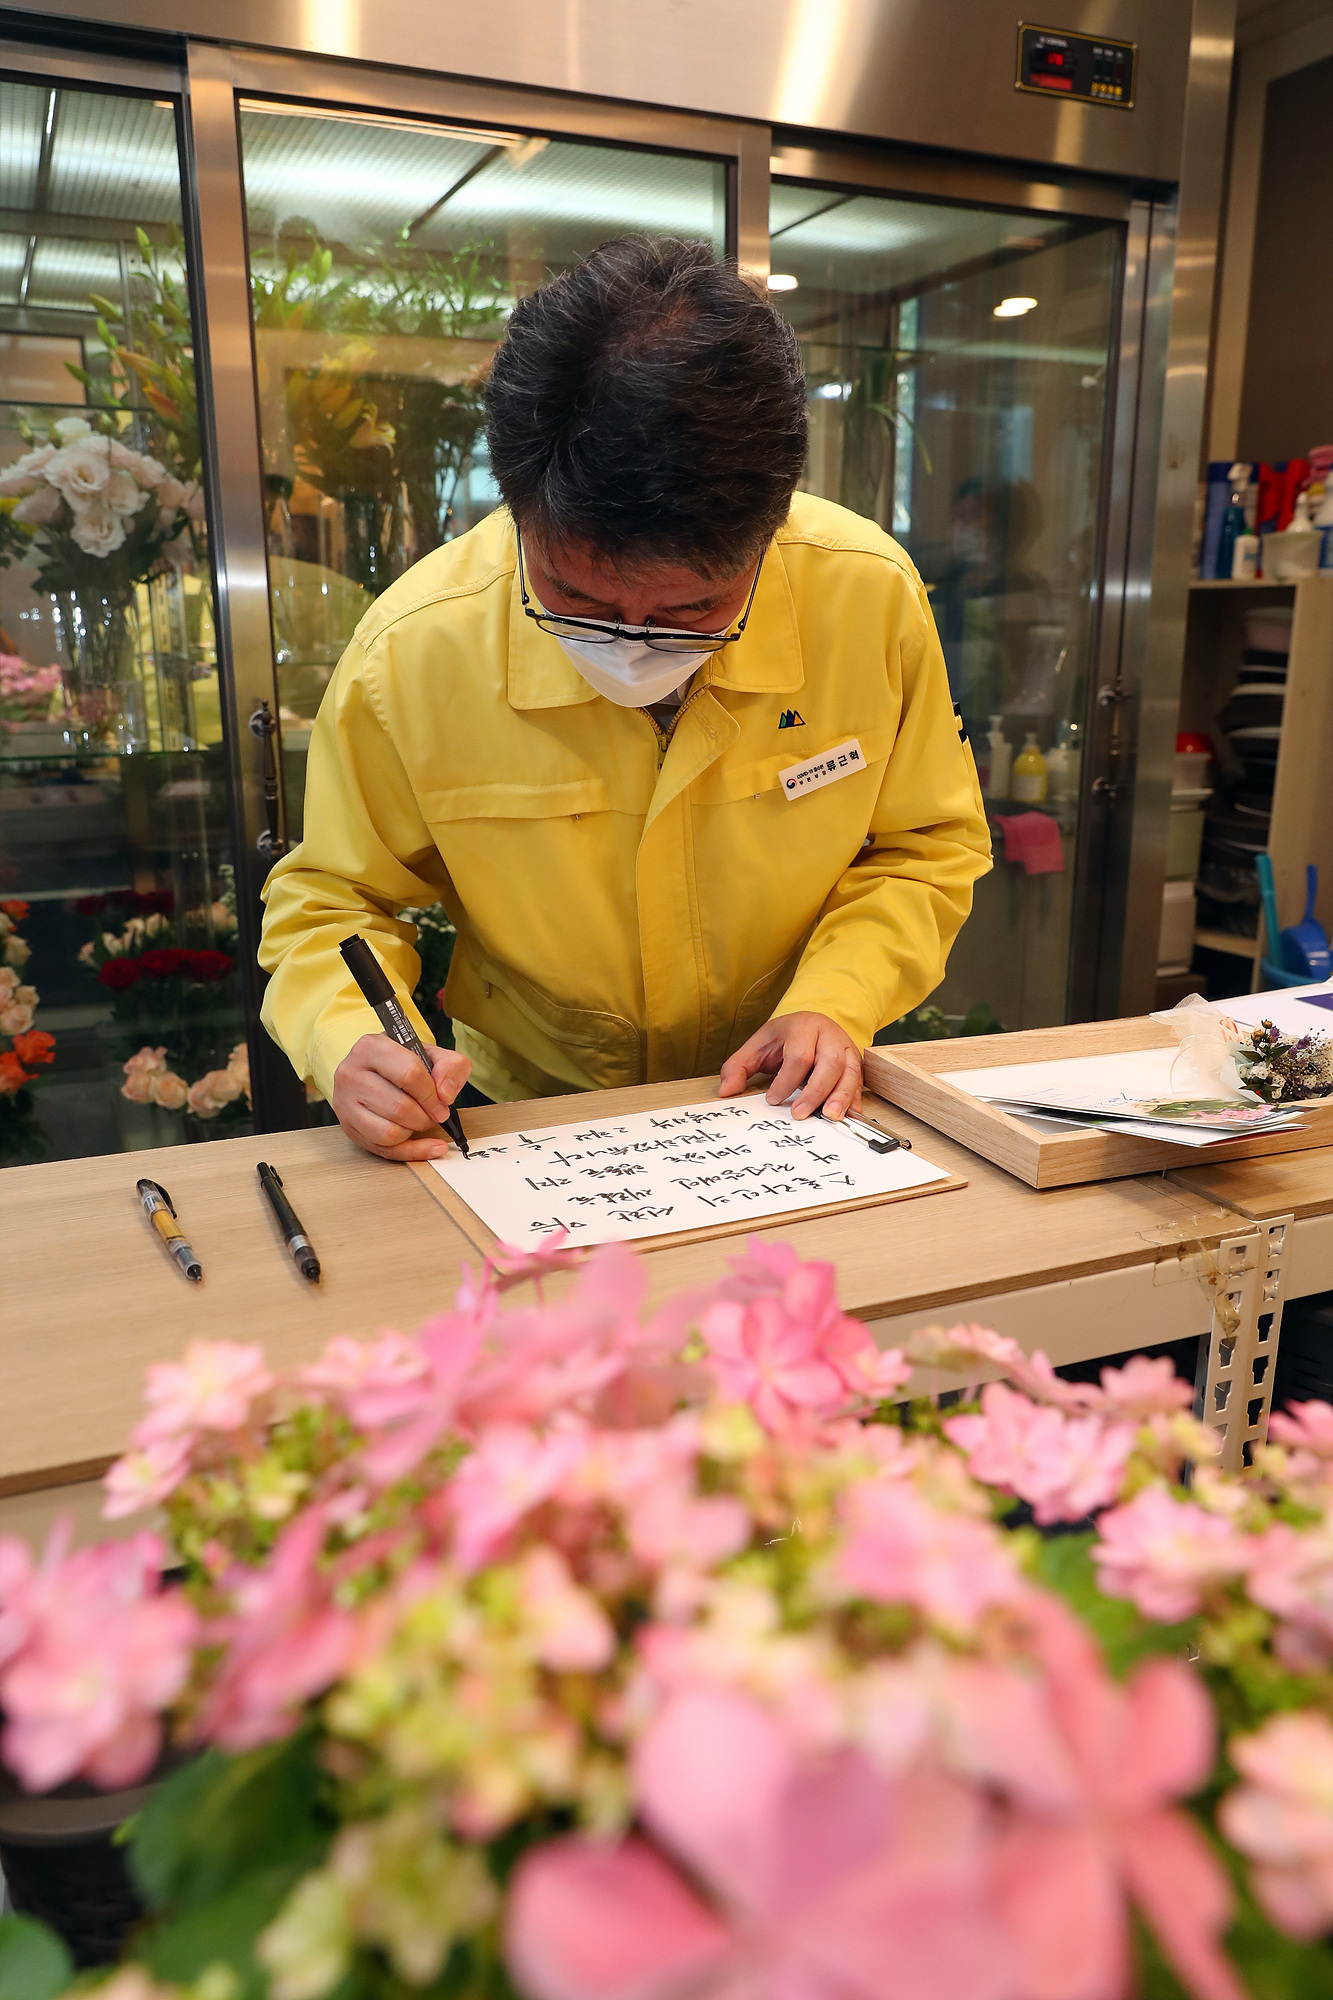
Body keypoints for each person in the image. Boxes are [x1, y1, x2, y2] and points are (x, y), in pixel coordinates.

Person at [259, 237, 991, 1163]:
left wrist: (836, 995)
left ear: (771, 528)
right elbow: (333, 899)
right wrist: (346, 1044)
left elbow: (925, 847)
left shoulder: (865, 597)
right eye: (581, 603)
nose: (637, 644)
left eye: (692, 610)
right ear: (520, 510)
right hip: (523, 1116)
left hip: (791, 1106)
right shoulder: (414, 650)